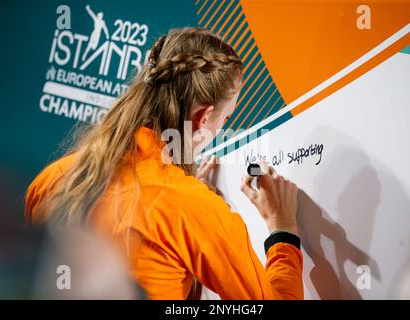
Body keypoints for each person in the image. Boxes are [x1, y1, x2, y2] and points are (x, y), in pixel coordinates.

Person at [25, 27, 303, 300]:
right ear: (203, 118)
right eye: (226, 119)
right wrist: (283, 229)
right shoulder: (191, 207)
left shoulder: (53, 178)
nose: (222, 126)